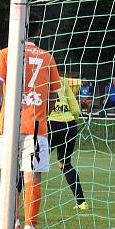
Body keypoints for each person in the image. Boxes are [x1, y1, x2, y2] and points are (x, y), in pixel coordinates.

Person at [0, 16, 61, 229]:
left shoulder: (5, 53)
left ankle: (14, 223)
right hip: (37, 126)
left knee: (9, 175)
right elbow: (54, 95)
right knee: (33, 176)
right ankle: (30, 228)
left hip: (9, 125)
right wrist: (42, 112)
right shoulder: (47, 57)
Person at [48, 78, 88, 210]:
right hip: (69, 125)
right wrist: (71, 121)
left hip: (50, 124)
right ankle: (81, 202)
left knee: (31, 163)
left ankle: (10, 200)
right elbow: (76, 109)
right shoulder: (62, 80)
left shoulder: (39, 78)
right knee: (65, 163)